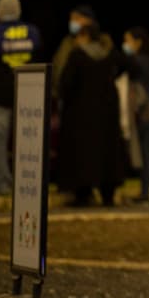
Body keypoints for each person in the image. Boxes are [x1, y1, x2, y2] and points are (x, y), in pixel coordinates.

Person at [56, 19, 123, 206]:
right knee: (107, 154)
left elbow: (66, 83)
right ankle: (107, 195)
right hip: (107, 115)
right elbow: (126, 67)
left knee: (82, 156)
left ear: (84, 36)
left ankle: (82, 195)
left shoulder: (77, 56)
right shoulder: (109, 55)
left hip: (81, 116)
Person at [0, 0, 42, 194]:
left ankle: (3, 183)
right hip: (29, 93)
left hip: (1, 96)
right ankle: (29, 183)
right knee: (29, 141)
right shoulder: (32, 32)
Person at [119, 27, 149, 202]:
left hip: (142, 111)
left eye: (128, 40)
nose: (126, 44)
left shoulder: (138, 61)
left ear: (138, 42)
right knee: (147, 150)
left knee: (143, 151)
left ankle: (145, 191)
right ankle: (146, 188)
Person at [51, 5, 99, 96]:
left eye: (77, 18)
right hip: (65, 97)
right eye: (71, 19)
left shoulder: (99, 45)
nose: (72, 22)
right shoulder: (67, 42)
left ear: (89, 21)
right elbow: (58, 66)